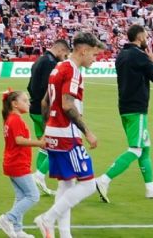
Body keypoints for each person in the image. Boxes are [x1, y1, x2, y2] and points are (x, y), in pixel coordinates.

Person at [33, 32, 104, 238]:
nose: (95, 59)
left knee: (66, 185)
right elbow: (67, 105)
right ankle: (47, 218)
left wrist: (48, 128)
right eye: (94, 54)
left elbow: (45, 102)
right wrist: (88, 132)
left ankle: (64, 235)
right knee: (89, 184)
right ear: (84, 50)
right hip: (67, 135)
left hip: (54, 131)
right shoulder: (72, 70)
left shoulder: (58, 67)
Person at [96, 25, 153, 203]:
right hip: (137, 107)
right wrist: (152, 60)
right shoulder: (140, 56)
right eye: (146, 35)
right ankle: (104, 180)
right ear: (140, 36)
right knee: (136, 149)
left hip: (124, 106)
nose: (147, 38)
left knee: (144, 149)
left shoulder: (121, 55)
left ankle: (150, 188)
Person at [26, 39, 70, 196]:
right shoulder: (51, 63)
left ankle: (36, 181)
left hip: (34, 109)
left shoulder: (39, 60)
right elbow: (49, 89)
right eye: (65, 54)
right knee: (55, 145)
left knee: (44, 145)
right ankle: (39, 175)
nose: (64, 58)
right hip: (44, 111)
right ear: (60, 50)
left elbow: (30, 86)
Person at [0, 89, 43, 238]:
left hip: (13, 162)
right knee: (33, 196)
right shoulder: (15, 119)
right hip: (18, 163)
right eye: (25, 100)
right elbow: (19, 140)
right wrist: (39, 143)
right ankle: (8, 218)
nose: (28, 103)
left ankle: (17, 230)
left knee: (21, 196)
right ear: (15, 104)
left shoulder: (10, 118)